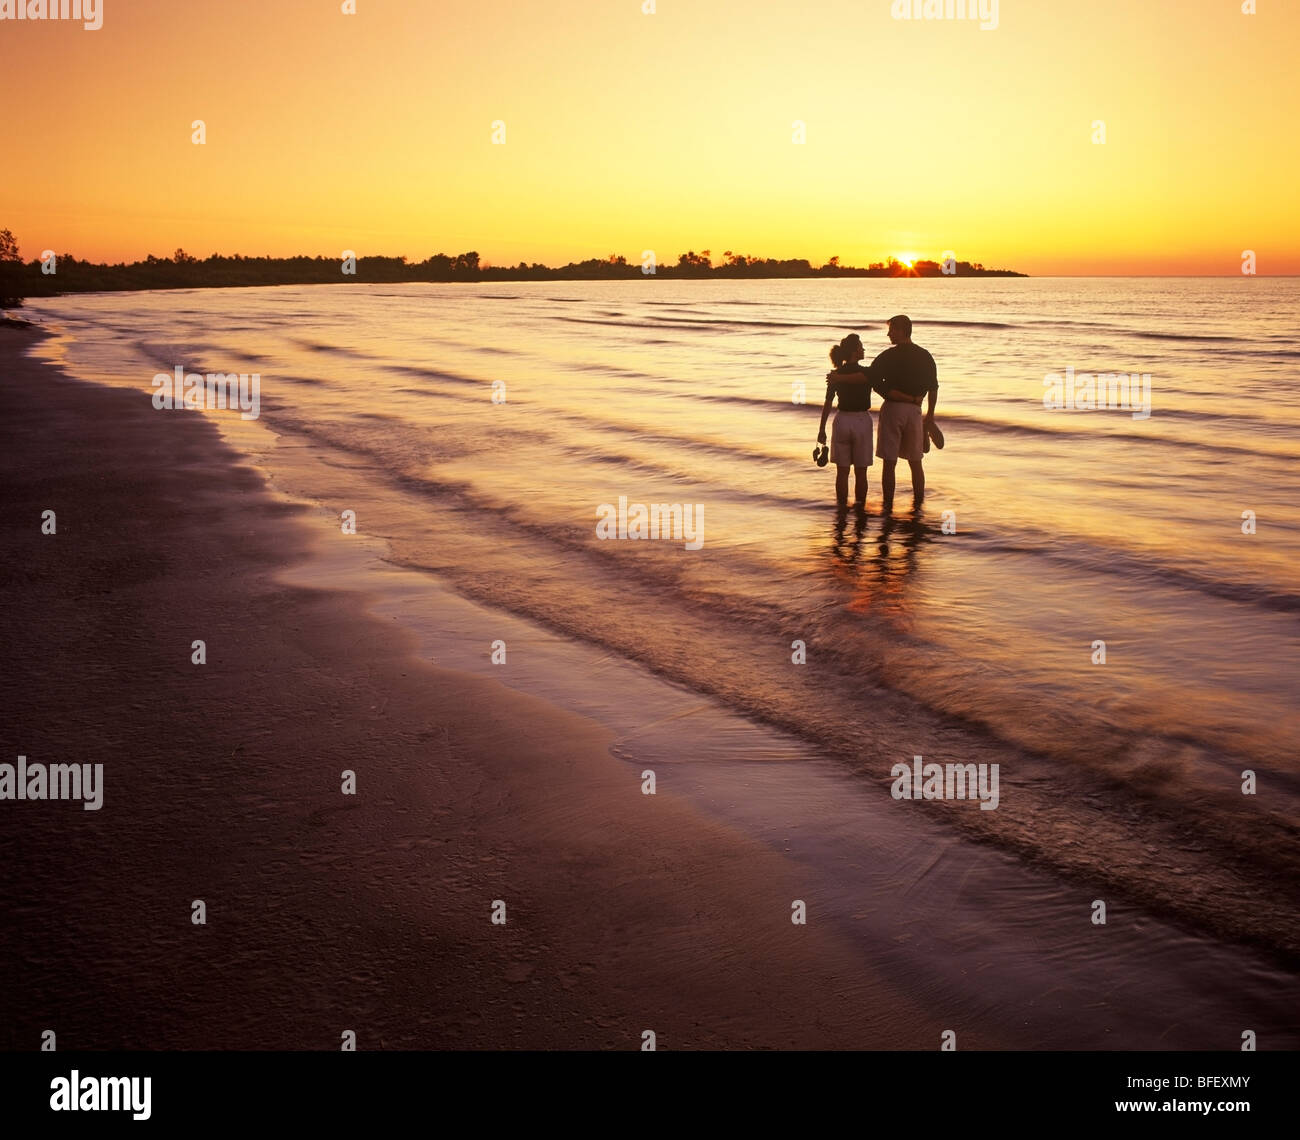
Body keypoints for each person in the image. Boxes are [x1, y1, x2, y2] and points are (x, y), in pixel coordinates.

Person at [827, 315, 937, 513]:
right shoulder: (925, 355)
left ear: (903, 330)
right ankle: (918, 507)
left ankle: (888, 506)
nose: (888, 334)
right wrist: (929, 416)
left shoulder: (888, 356)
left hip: (893, 408)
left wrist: (838, 377)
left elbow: (867, 378)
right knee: (916, 461)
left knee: (889, 462)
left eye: (892, 330)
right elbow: (933, 387)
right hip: (915, 412)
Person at [817, 333, 875, 509]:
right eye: (861, 347)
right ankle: (860, 509)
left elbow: (828, 402)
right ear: (855, 351)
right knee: (861, 471)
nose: (863, 349)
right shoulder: (866, 372)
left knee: (842, 472)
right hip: (861, 421)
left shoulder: (836, 375)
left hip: (841, 420)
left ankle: (841, 510)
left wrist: (821, 429)